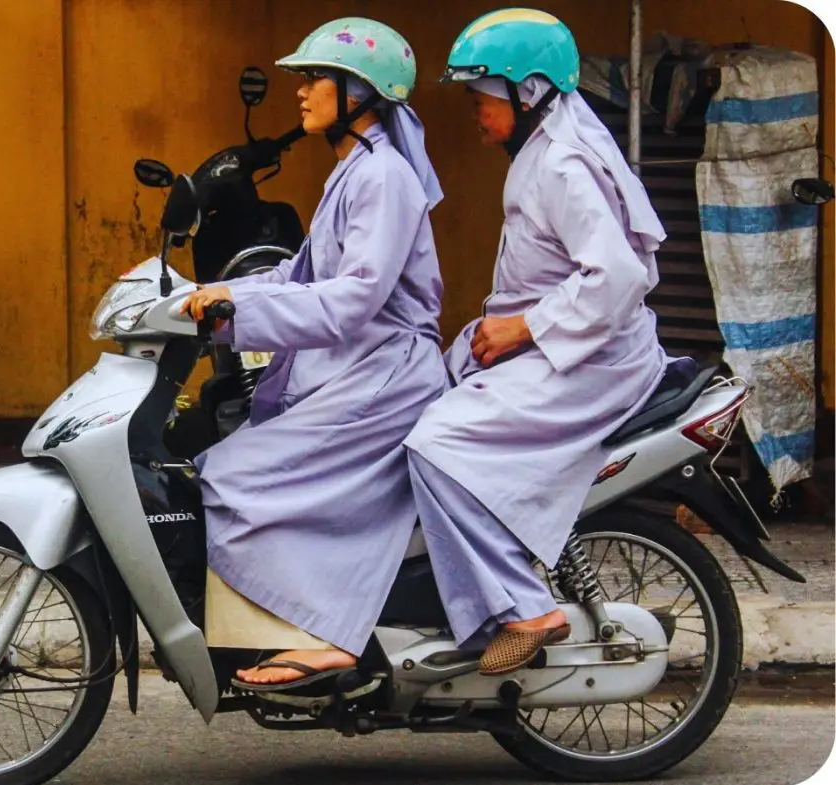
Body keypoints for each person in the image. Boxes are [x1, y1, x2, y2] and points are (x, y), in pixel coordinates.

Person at [180, 17, 447, 689]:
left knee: (235, 476)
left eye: (315, 79)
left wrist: (238, 310)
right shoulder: (353, 172)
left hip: (386, 378)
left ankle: (325, 637)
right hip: (358, 370)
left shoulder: (383, 178)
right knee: (235, 467)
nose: (301, 93)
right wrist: (207, 294)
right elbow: (296, 278)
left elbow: (353, 299)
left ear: (361, 91)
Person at [402, 8, 669, 676]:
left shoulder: (563, 165)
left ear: (529, 92)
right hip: (562, 346)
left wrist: (524, 326)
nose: (473, 110)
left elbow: (618, 275)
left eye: (481, 96)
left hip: (594, 361)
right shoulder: (544, 149)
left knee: (437, 446)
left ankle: (524, 608)